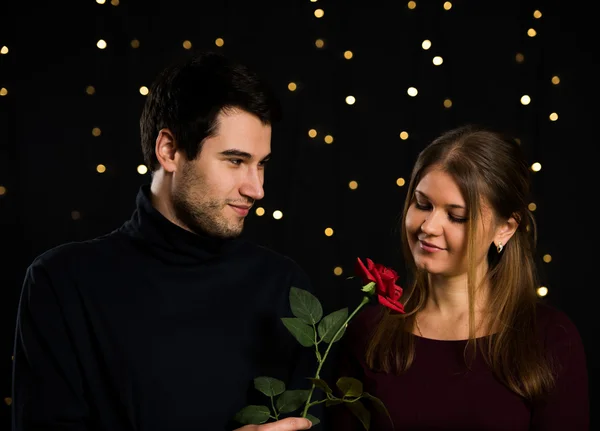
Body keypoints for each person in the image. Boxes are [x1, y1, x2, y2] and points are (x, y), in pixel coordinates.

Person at [11, 51, 314, 431]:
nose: (257, 189)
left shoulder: (286, 287)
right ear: (169, 151)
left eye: (262, 164)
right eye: (235, 161)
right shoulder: (62, 283)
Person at [329, 125, 589, 430]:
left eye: (457, 216)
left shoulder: (549, 337)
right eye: (422, 204)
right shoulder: (368, 332)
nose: (429, 226)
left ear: (505, 228)